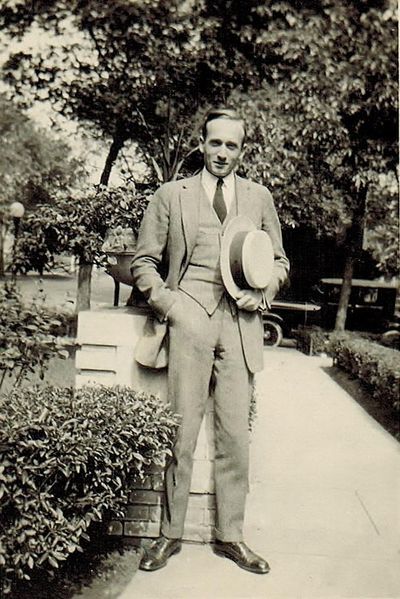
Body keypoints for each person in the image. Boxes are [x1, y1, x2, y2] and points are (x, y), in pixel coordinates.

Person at [131, 107, 289, 574]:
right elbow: (143, 261)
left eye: (232, 145)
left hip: (241, 328)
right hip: (189, 320)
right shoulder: (170, 195)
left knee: (235, 437)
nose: (223, 153)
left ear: (242, 150)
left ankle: (231, 537)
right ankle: (169, 535)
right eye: (215, 143)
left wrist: (263, 295)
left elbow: (279, 261)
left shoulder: (259, 197)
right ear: (201, 143)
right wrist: (169, 304)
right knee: (181, 431)